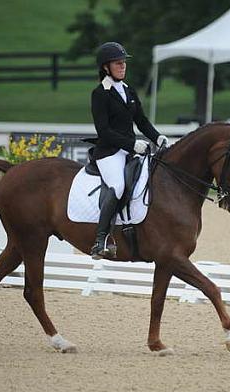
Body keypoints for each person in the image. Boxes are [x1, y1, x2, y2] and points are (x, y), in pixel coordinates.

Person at [89, 42, 168, 259]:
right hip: (109, 153)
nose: (123, 66)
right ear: (106, 67)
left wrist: (157, 137)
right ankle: (100, 239)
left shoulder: (128, 90)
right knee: (117, 186)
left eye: (124, 62)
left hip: (129, 151)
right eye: (118, 63)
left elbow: (141, 121)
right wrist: (132, 144)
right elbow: (103, 131)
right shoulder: (100, 94)